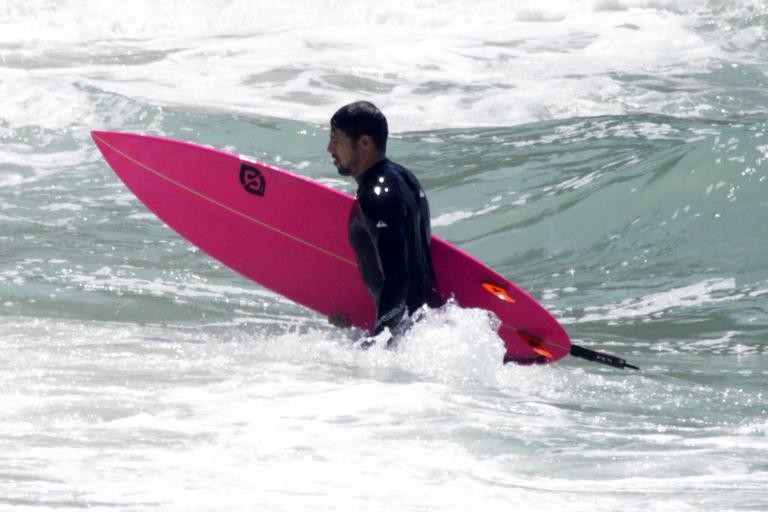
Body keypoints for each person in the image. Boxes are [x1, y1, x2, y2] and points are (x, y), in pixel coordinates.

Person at [326, 101, 442, 347]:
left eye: (337, 141)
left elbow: (397, 276)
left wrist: (379, 344)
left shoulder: (376, 197)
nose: (330, 149)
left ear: (364, 143)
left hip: (403, 337)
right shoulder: (403, 178)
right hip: (420, 328)